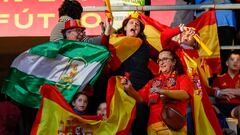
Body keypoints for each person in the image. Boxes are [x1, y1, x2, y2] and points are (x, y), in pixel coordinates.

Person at [103, 12, 160, 135]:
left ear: (140, 30)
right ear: (125, 27)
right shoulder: (115, 42)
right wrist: (107, 33)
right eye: (131, 23)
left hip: (139, 91)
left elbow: (161, 56)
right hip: (119, 90)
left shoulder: (145, 46)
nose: (134, 25)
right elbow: (103, 51)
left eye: (138, 24)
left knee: (139, 125)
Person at [121, 49, 193, 135]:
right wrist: (129, 88)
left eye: (165, 59)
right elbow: (140, 98)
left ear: (174, 62)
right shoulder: (152, 82)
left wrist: (164, 92)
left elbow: (185, 94)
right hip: (153, 127)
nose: (161, 63)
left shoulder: (182, 78)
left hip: (174, 127)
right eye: (159, 60)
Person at [209, 51, 240, 131]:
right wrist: (236, 92)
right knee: (208, 109)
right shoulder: (219, 78)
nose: (235, 62)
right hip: (220, 106)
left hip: (236, 107)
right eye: (232, 59)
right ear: (227, 63)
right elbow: (213, 93)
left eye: (238, 60)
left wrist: (226, 91)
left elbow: (220, 92)